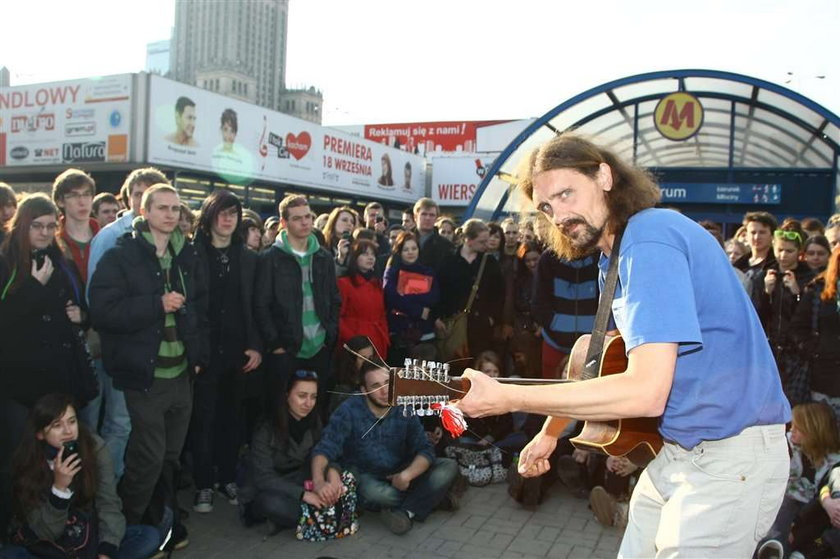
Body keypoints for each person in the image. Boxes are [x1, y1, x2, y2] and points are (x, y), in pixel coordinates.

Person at [455, 133, 791, 557]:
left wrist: (506, 396)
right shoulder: (617, 254)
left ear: (605, 177)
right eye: (546, 206)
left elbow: (646, 391)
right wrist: (549, 433)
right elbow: (600, 365)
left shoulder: (649, 239)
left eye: (566, 194)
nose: (558, 214)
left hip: (730, 460)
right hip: (683, 453)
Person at [89, 184, 208, 550]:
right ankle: (125, 528)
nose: (171, 214)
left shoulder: (187, 253)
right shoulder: (122, 254)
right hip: (144, 376)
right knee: (148, 458)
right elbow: (103, 311)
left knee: (170, 456)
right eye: (162, 208)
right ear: (145, 212)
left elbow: (200, 307)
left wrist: (198, 355)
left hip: (181, 373)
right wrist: (156, 304)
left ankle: (160, 519)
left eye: (176, 208)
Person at [0, 194, 92, 542]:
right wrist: (34, 290)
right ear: (21, 225)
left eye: (50, 226)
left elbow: (80, 304)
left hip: (56, 385)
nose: (43, 232)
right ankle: (13, 529)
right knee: (16, 461)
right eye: (36, 225)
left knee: (59, 461)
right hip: (16, 386)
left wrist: (82, 316)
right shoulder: (5, 262)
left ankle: (55, 527)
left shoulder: (59, 259)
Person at [83, 167, 168, 481]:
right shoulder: (111, 236)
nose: (142, 201)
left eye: (151, 194)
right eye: (137, 194)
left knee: (132, 422)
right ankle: (106, 487)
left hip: (153, 350)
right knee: (114, 421)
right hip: (118, 345)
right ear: (128, 197)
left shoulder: (168, 238)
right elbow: (98, 299)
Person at [310, 360, 458, 535]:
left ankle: (406, 510)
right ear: (364, 391)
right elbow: (324, 449)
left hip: (402, 471)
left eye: (388, 383)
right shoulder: (348, 411)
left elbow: (424, 448)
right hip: (367, 476)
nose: (384, 391)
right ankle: (429, 499)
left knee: (448, 466)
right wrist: (318, 483)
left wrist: (407, 474)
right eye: (375, 386)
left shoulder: (403, 405)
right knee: (374, 494)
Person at [6, 394, 160, 559]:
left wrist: (106, 551)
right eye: (57, 425)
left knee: (147, 536)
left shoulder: (94, 448)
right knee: (10, 554)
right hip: (47, 545)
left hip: (84, 536)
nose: (68, 431)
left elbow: (108, 504)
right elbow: (45, 533)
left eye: (72, 421)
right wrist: (59, 489)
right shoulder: (28, 462)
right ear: (40, 434)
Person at [190, 190, 262, 514]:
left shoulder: (248, 258)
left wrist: (256, 345)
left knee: (232, 420)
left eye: (233, 212)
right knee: (202, 421)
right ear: (208, 217)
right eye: (221, 212)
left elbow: (257, 306)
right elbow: (189, 308)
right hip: (203, 354)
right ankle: (204, 483)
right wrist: (194, 353)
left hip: (238, 352)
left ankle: (227, 477)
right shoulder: (192, 254)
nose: (227, 218)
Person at [255, 195, 340, 418]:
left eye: (308, 217)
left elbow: (334, 298)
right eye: (297, 218)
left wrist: (329, 334)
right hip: (286, 349)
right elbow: (261, 305)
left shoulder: (324, 257)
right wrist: (275, 344)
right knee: (280, 410)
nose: (305, 223)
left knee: (316, 409)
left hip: (319, 348)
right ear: (284, 223)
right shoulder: (269, 259)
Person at [238, 370, 354, 532]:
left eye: (313, 397)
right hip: (270, 489)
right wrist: (303, 495)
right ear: (286, 395)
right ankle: (311, 515)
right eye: (302, 396)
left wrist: (333, 475)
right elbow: (264, 478)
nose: (308, 403)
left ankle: (297, 518)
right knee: (272, 504)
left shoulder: (315, 422)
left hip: (302, 480)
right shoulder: (265, 428)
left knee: (344, 483)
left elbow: (327, 452)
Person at [757, 402, 840, 559]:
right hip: (787, 500)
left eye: (798, 427)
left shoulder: (834, 461)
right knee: (784, 508)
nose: (791, 430)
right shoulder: (786, 445)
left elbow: (826, 488)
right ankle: (773, 548)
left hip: (814, 508)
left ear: (813, 431)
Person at [437, 219, 504, 370]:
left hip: (481, 326)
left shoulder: (490, 262)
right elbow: (439, 289)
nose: (487, 245)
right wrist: (438, 316)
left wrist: (492, 318)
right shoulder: (449, 260)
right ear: (468, 240)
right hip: (455, 324)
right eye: (482, 242)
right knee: (454, 365)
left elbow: (499, 293)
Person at [790, 246, 840, 419]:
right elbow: (798, 327)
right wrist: (815, 351)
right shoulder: (817, 288)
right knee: (822, 434)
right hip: (823, 373)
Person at [383, 231, 440, 364]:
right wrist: (419, 310)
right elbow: (391, 296)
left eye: (414, 248)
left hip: (424, 332)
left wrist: (405, 294)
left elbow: (432, 297)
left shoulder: (428, 272)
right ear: (399, 252)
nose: (410, 252)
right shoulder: (392, 272)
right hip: (399, 331)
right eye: (406, 249)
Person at [337, 239, 389, 359]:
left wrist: (384, 334)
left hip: (377, 340)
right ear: (355, 257)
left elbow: (382, 314)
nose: (370, 258)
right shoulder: (344, 283)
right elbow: (338, 317)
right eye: (365, 254)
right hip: (354, 342)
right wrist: (353, 340)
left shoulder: (377, 283)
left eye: (373, 254)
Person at [52, 169, 99, 286]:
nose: (82, 202)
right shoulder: (52, 240)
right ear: (60, 202)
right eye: (74, 195)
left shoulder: (106, 237)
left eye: (87, 194)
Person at [413, 198, 453, 274]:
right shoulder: (404, 239)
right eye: (424, 214)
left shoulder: (446, 246)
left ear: (436, 219)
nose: (428, 218)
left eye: (432, 215)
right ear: (415, 217)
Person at [323, 206, 359, 276]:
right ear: (333, 222)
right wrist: (340, 258)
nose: (349, 224)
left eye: (352, 222)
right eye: (344, 220)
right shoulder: (322, 243)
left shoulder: (356, 247)